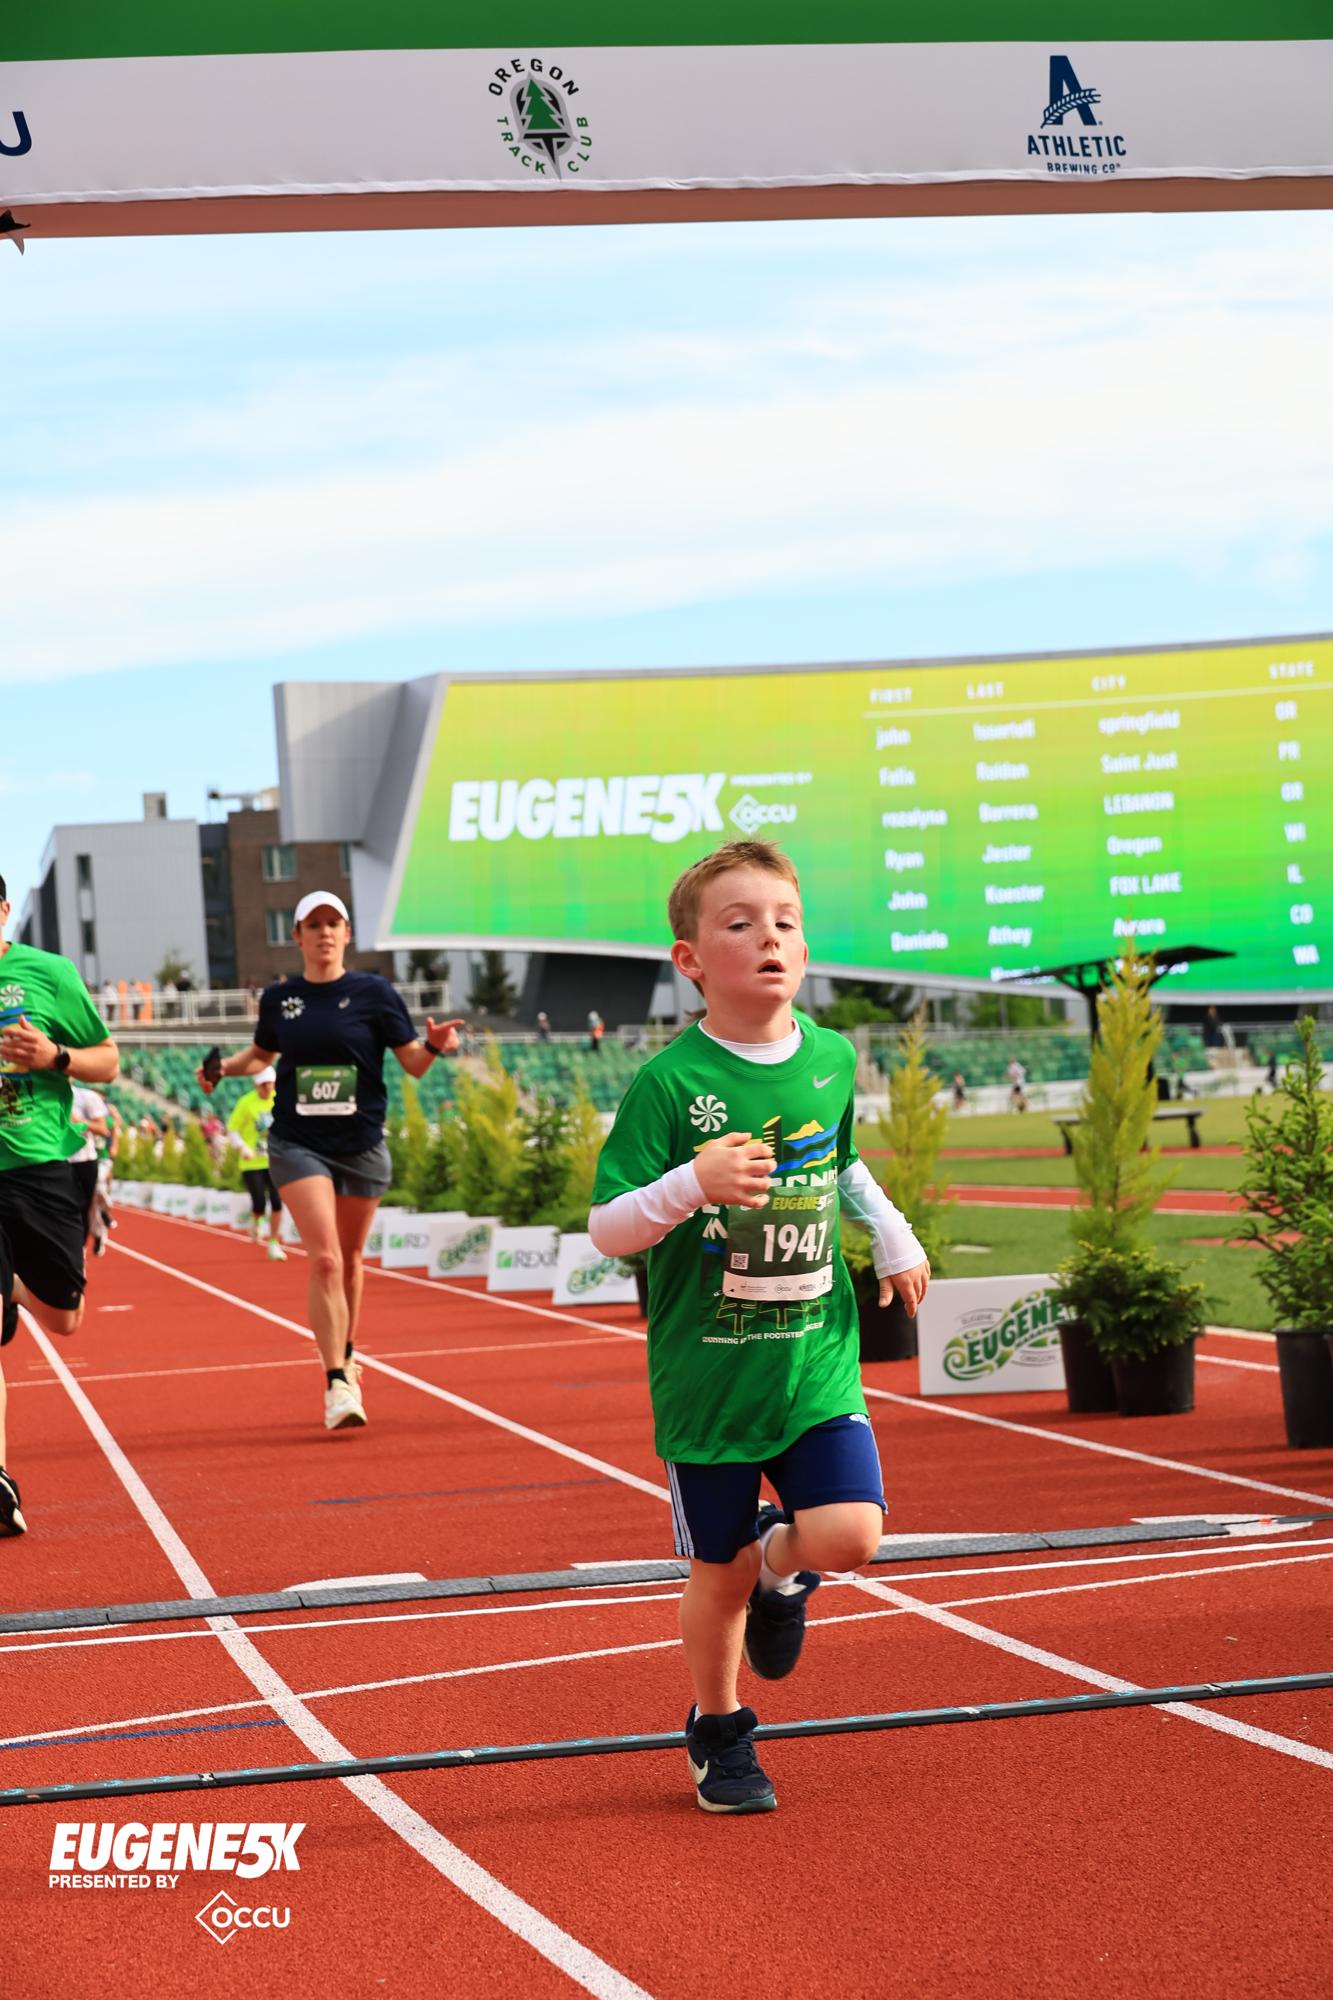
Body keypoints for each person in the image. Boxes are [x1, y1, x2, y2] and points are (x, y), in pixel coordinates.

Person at [587, 839, 929, 1814]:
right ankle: (719, 1725)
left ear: (804, 947)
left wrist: (890, 1231)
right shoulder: (668, 1083)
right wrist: (690, 1183)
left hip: (813, 1359)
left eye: (784, 921)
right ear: (690, 958)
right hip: (709, 1380)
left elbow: (840, 1159)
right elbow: (608, 1228)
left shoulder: (830, 1057)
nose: (768, 937)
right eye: (739, 923)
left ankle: (785, 1570)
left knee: (850, 1534)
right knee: (716, 1571)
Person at [198, 891, 463, 1432]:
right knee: (324, 1260)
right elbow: (261, 1055)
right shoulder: (281, 998)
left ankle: (346, 1349)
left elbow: (413, 1063)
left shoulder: (375, 993)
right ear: (297, 936)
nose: (323, 932)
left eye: (332, 923)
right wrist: (223, 1068)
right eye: (313, 924)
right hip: (297, 1142)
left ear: (347, 934)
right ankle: (336, 1379)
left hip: (361, 1141)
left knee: (352, 1258)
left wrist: (434, 1046)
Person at [0, 871, 120, 1536]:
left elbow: (109, 1060)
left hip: (40, 1165)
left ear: (4, 911)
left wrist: (56, 1056)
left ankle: (17, 1286)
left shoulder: (48, 974)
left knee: (66, 1316)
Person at [226, 1065, 286, 1260]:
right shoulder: (246, 1103)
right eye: (263, 1084)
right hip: (251, 1162)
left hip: (275, 1160)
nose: (267, 1088)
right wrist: (242, 1147)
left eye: (270, 1083)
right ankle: (256, 1220)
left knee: (277, 1202)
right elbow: (232, 1129)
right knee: (259, 1202)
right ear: (256, 1084)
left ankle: (274, 1242)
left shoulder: (281, 1099)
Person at [68, 1083, 114, 1258]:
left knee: (85, 1208)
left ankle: (83, 1249)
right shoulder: (43, 1095)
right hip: (56, 1162)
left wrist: (80, 1122)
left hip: (84, 1161)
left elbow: (103, 1129)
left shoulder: (85, 1097)